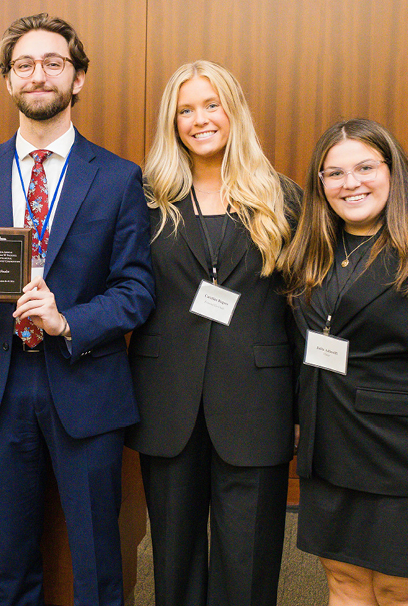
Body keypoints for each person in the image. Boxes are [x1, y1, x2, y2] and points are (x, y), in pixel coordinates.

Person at [0, 13, 155, 606]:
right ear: (8, 81)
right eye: (24, 65)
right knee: (13, 565)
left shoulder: (117, 178)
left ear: (77, 78)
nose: (39, 75)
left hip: (85, 387)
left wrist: (68, 321)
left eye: (53, 63)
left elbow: (137, 289)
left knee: (96, 566)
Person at [281, 118, 408, 605]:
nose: (350, 183)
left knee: (405, 592)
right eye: (334, 174)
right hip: (330, 450)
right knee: (344, 583)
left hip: (407, 463)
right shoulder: (313, 249)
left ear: (394, 172)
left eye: (365, 167)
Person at [126, 60, 298, 606]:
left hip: (256, 404)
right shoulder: (145, 198)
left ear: (234, 110)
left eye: (211, 104)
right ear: (171, 122)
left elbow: (307, 309)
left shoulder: (284, 199)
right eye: (185, 110)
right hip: (167, 404)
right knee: (172, 566)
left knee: (248, 566)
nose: (199, 119)